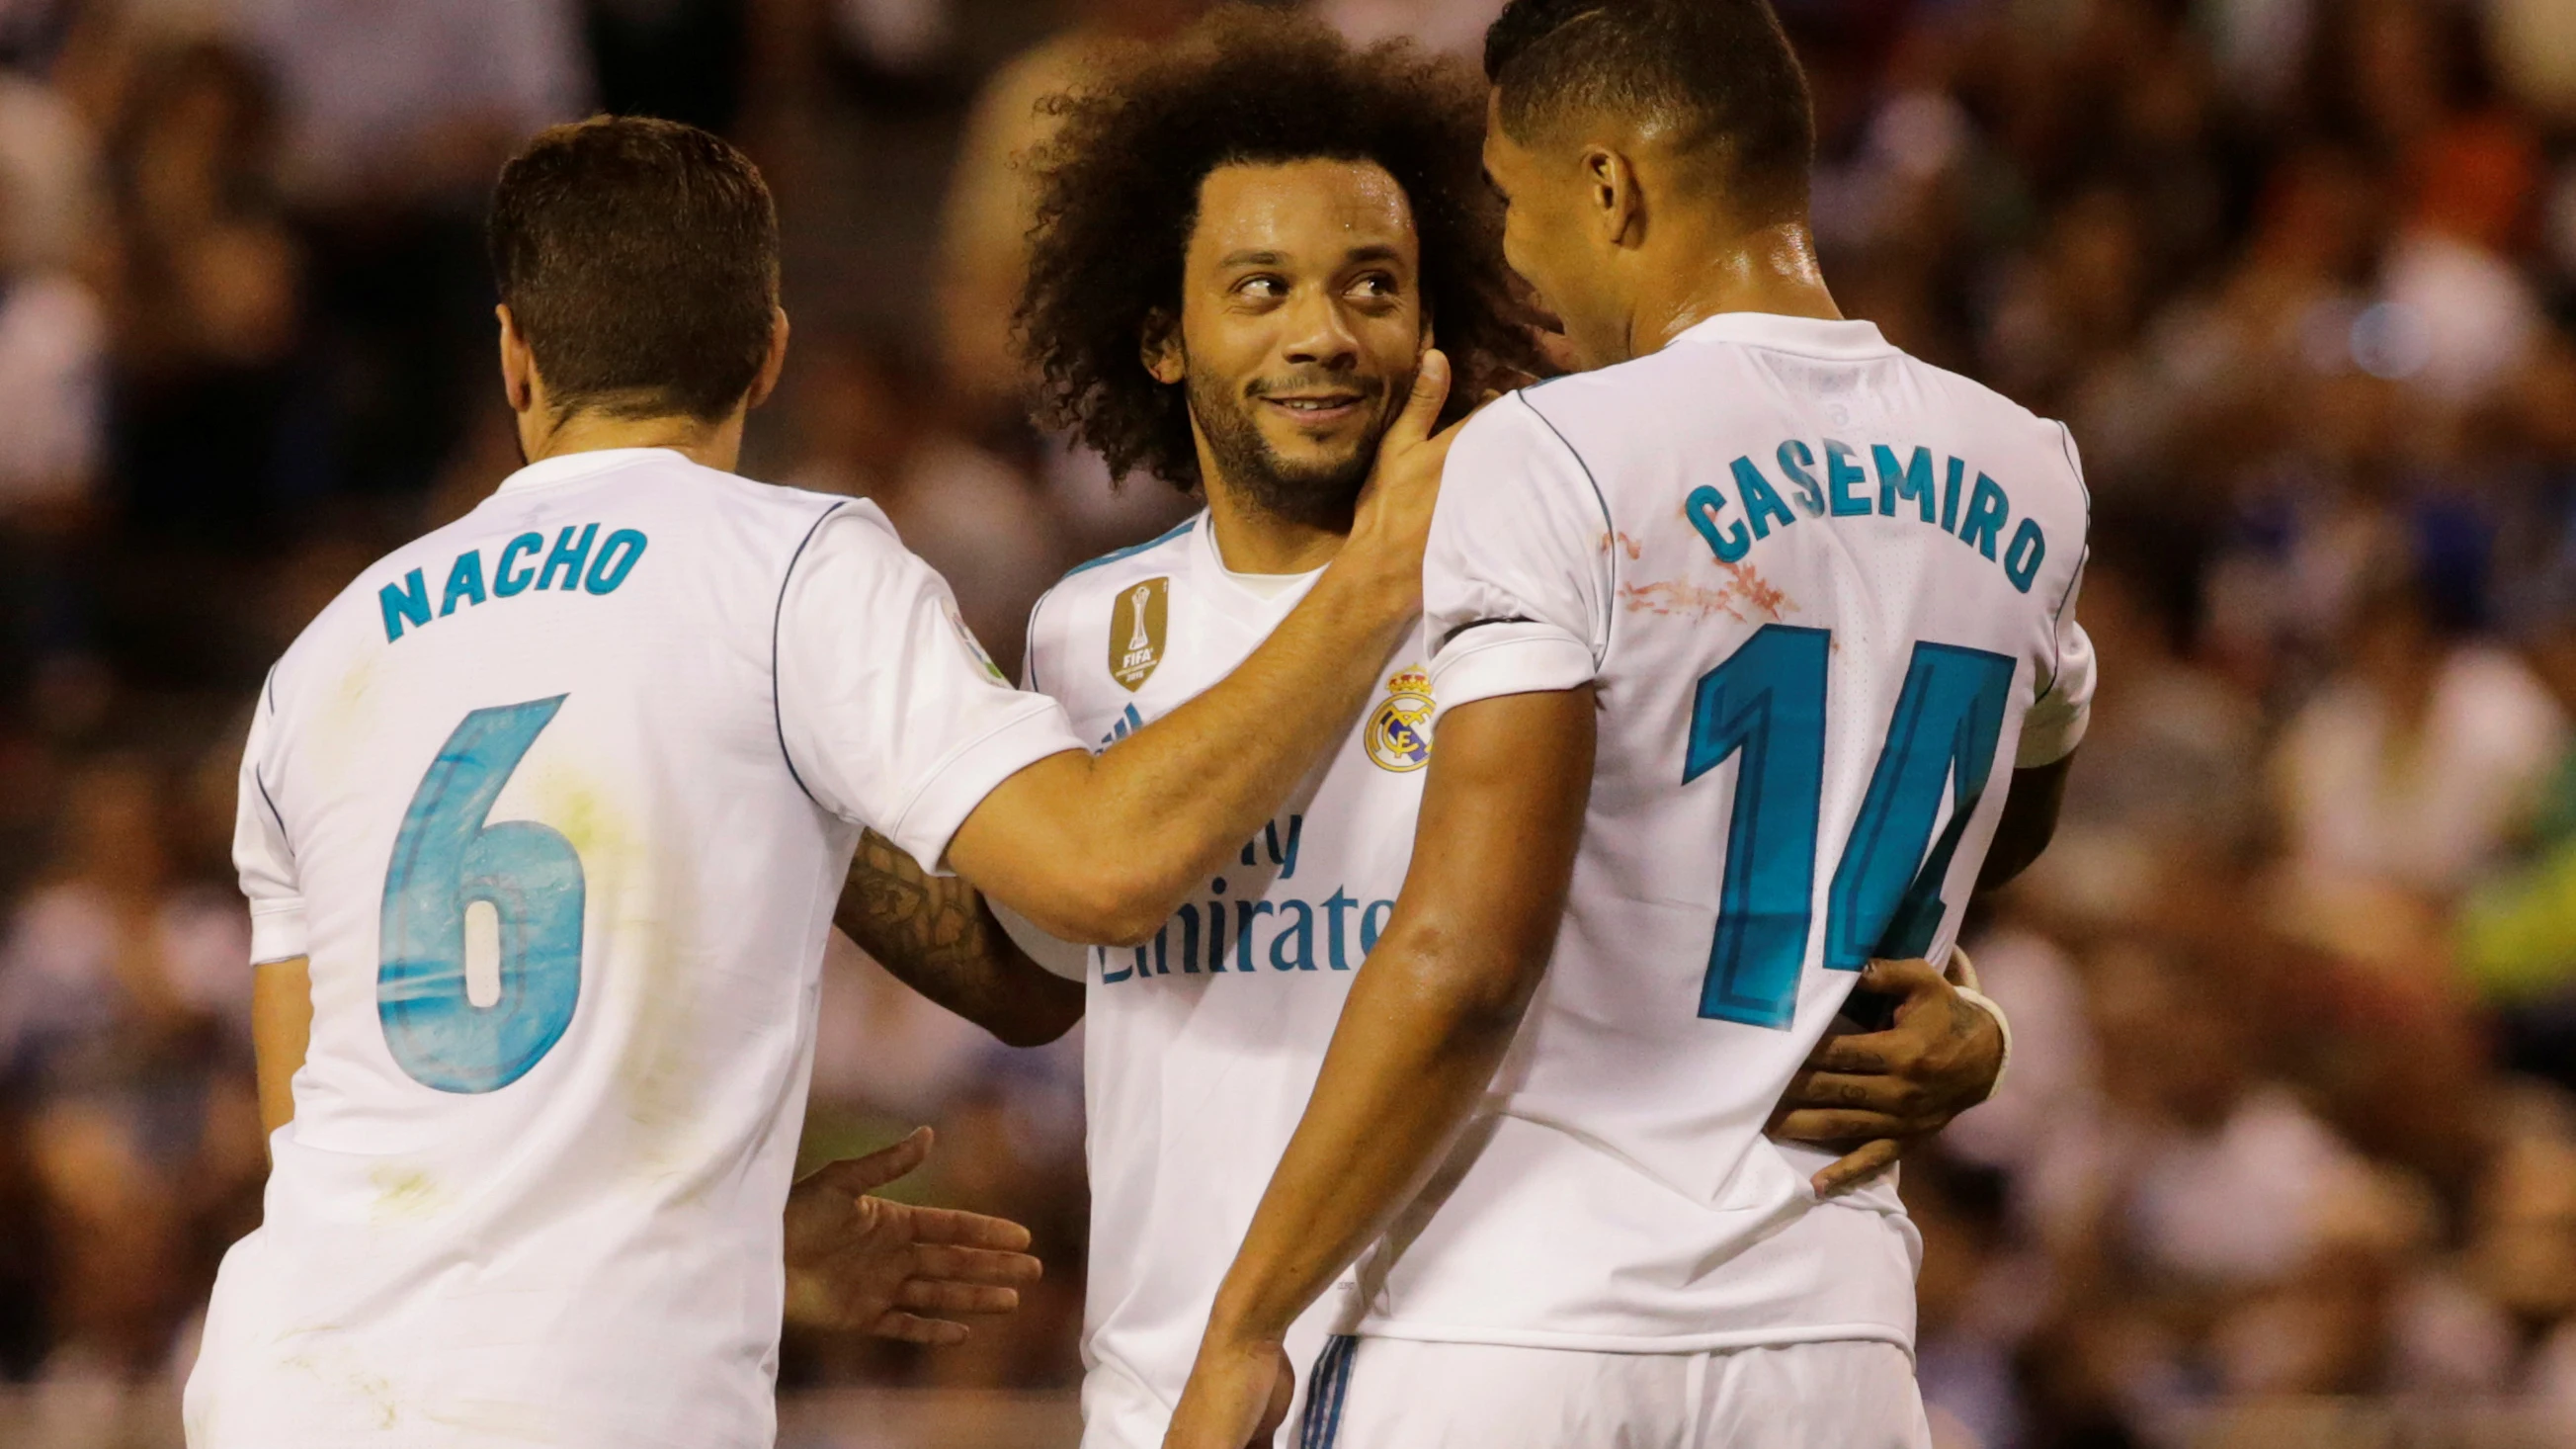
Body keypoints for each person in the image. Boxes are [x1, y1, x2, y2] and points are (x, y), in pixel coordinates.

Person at [823, 12, 2018, 1447]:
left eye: (1371, 284)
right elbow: (1042, 959)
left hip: (1458, 1353)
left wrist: (1951, 993)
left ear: (1440, 306)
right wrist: (785, 799)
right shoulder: (1087, 624)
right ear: (1159, 333)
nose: (1320, 333)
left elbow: (1736, 846)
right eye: (1259, 288)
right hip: (1171, 1384)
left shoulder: (1567, 544)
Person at [182, 115, 1451, 1449]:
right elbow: (1099, 872)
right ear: (770, 350)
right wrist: (1371, 583)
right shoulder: (788, 567)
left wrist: (738, 1246)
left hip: (285, 1382)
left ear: (514, 355)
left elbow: (330, 1142)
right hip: (582, 1404)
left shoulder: (320, 661)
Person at [1165, 2, 2092, 1446]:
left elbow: (1467, 954)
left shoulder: (1559, 447)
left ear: (1610, 187)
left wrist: (1245, 1319)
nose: (1515, 264)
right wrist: (1950, 993)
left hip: (1519, 1319)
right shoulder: (2027, 468)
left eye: (1513, 201)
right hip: (1831, 1342)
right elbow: (2001, 812)